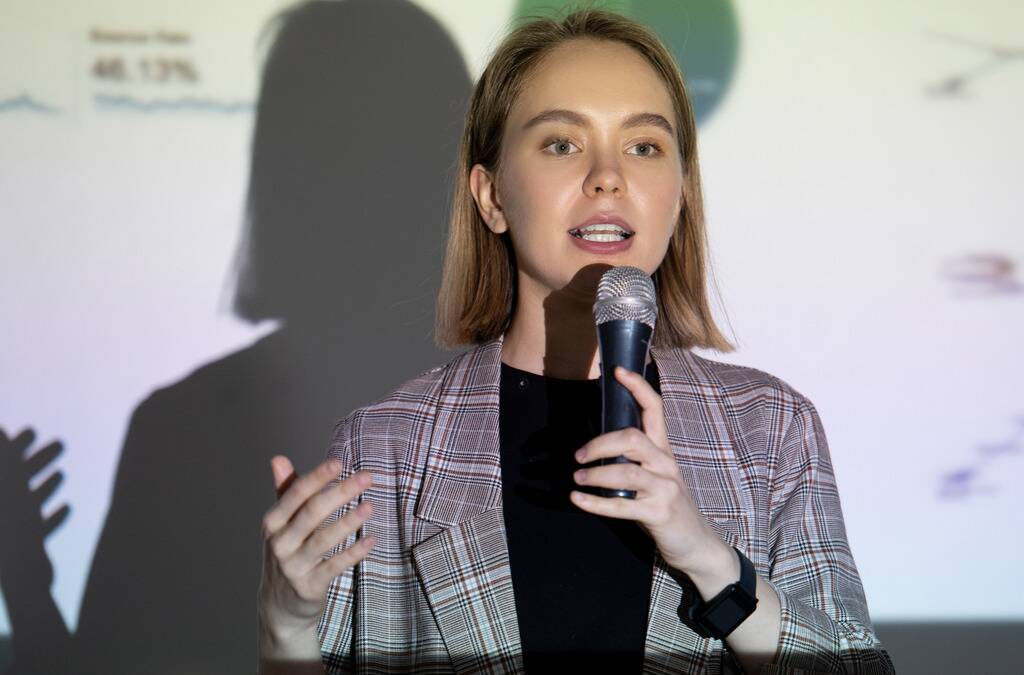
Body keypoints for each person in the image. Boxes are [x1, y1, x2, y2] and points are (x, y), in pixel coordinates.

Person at [257, 8, 894, 674]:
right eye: (561, 142)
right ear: (492, 195)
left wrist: (709, 557)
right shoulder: (383, 450)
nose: (608, 176)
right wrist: (285, 626)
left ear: (679, 195)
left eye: (645, 146)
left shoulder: (770, 429)